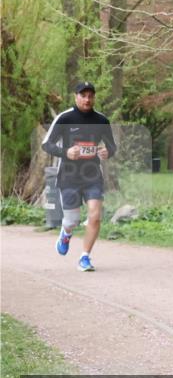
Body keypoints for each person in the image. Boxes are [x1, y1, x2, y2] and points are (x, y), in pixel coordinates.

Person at [41, 81, 117, 272]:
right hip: (69, 176)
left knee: (95, 216)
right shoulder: (65, 118)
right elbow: (46, 144)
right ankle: (66, 233)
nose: (87, 99)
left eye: (90, 96)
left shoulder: (101, 120)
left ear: (94, 97)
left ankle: (85, 257)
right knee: (72, 220)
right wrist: (65, 152)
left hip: (93, 176)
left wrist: (108, 151)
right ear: (76, 97)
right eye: (83, 95)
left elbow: (112, 146)